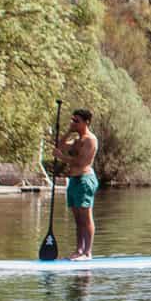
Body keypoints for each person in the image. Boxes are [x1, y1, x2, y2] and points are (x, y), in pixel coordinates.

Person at [56, 108, 102, 260]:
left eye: (77, 121)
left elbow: (81, 162)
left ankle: (87, 253)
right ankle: (79, 251)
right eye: (72, 120)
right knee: (77, 219)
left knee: (85, 217)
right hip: (74, 180)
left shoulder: (90, 140)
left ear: (86, 122)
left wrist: (62, 158)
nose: (73, 123)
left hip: (85, 180)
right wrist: (69, 131)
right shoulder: (77, 140)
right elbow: (60, 145)